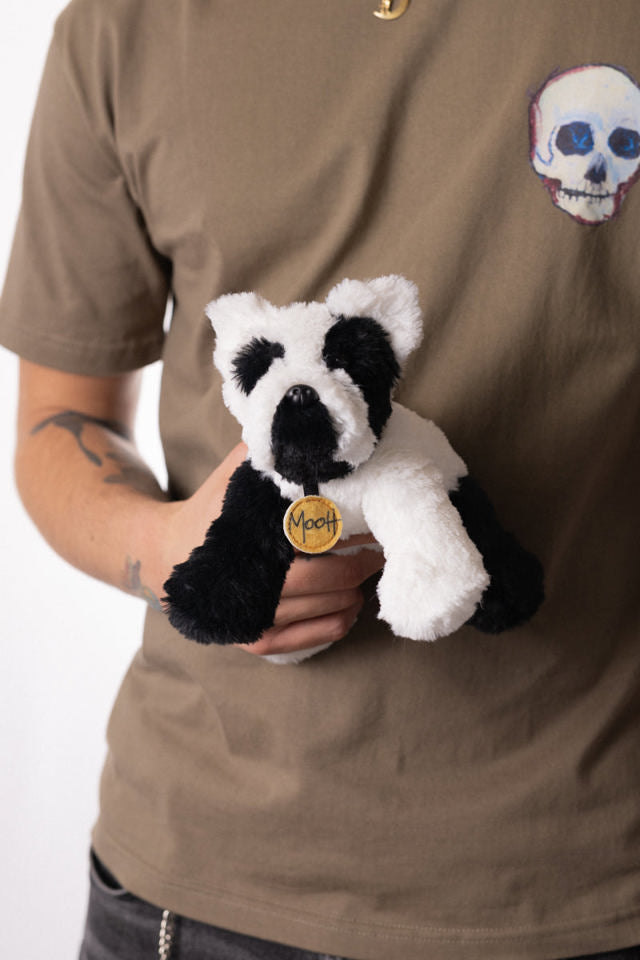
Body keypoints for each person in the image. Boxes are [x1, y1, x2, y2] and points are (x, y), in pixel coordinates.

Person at [2, 1, 640, 958]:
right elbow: (60, 418)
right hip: (198, 879)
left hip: (580, 878)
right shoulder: (124, 22)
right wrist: (172, 552)